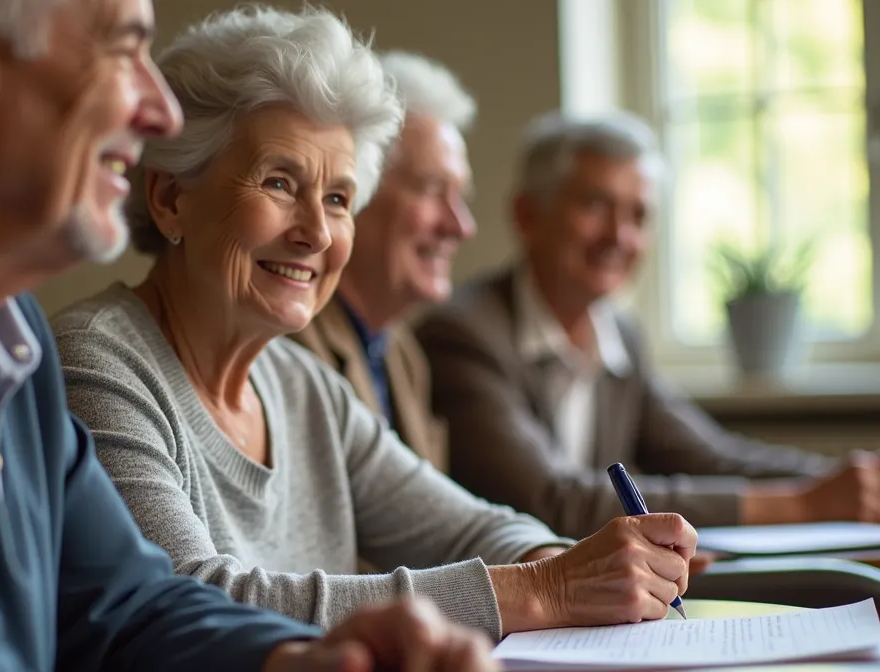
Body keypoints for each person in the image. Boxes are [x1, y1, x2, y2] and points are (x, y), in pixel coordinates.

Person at [0, 0, 503, 668]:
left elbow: (126, 604)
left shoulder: (6, 320)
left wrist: (300, 660)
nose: (158, 110)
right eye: (126, 48)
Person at [54, 6, 699, 643]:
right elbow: (195, 604)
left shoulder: (303, 387)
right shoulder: (96, 364)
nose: (316, 232)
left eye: (337, 198)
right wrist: (547, 588)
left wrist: (570, 564)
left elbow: (475, 527)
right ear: (170, 198)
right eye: (280, 183)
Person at [415, 110, 880, 540]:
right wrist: (804, 506)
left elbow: (708, 456)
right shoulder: (463, 334)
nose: (621, 236)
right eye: (595, 205)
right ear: (527, 215)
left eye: (639, 215)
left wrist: (846, 482)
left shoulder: (621, 337)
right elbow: (550, 500)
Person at [288, 51, 476, 472]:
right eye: (432, 189)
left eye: (460, 195)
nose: (461, 226)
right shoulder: (290, 340)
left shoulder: (403, 354)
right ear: (357, 193)